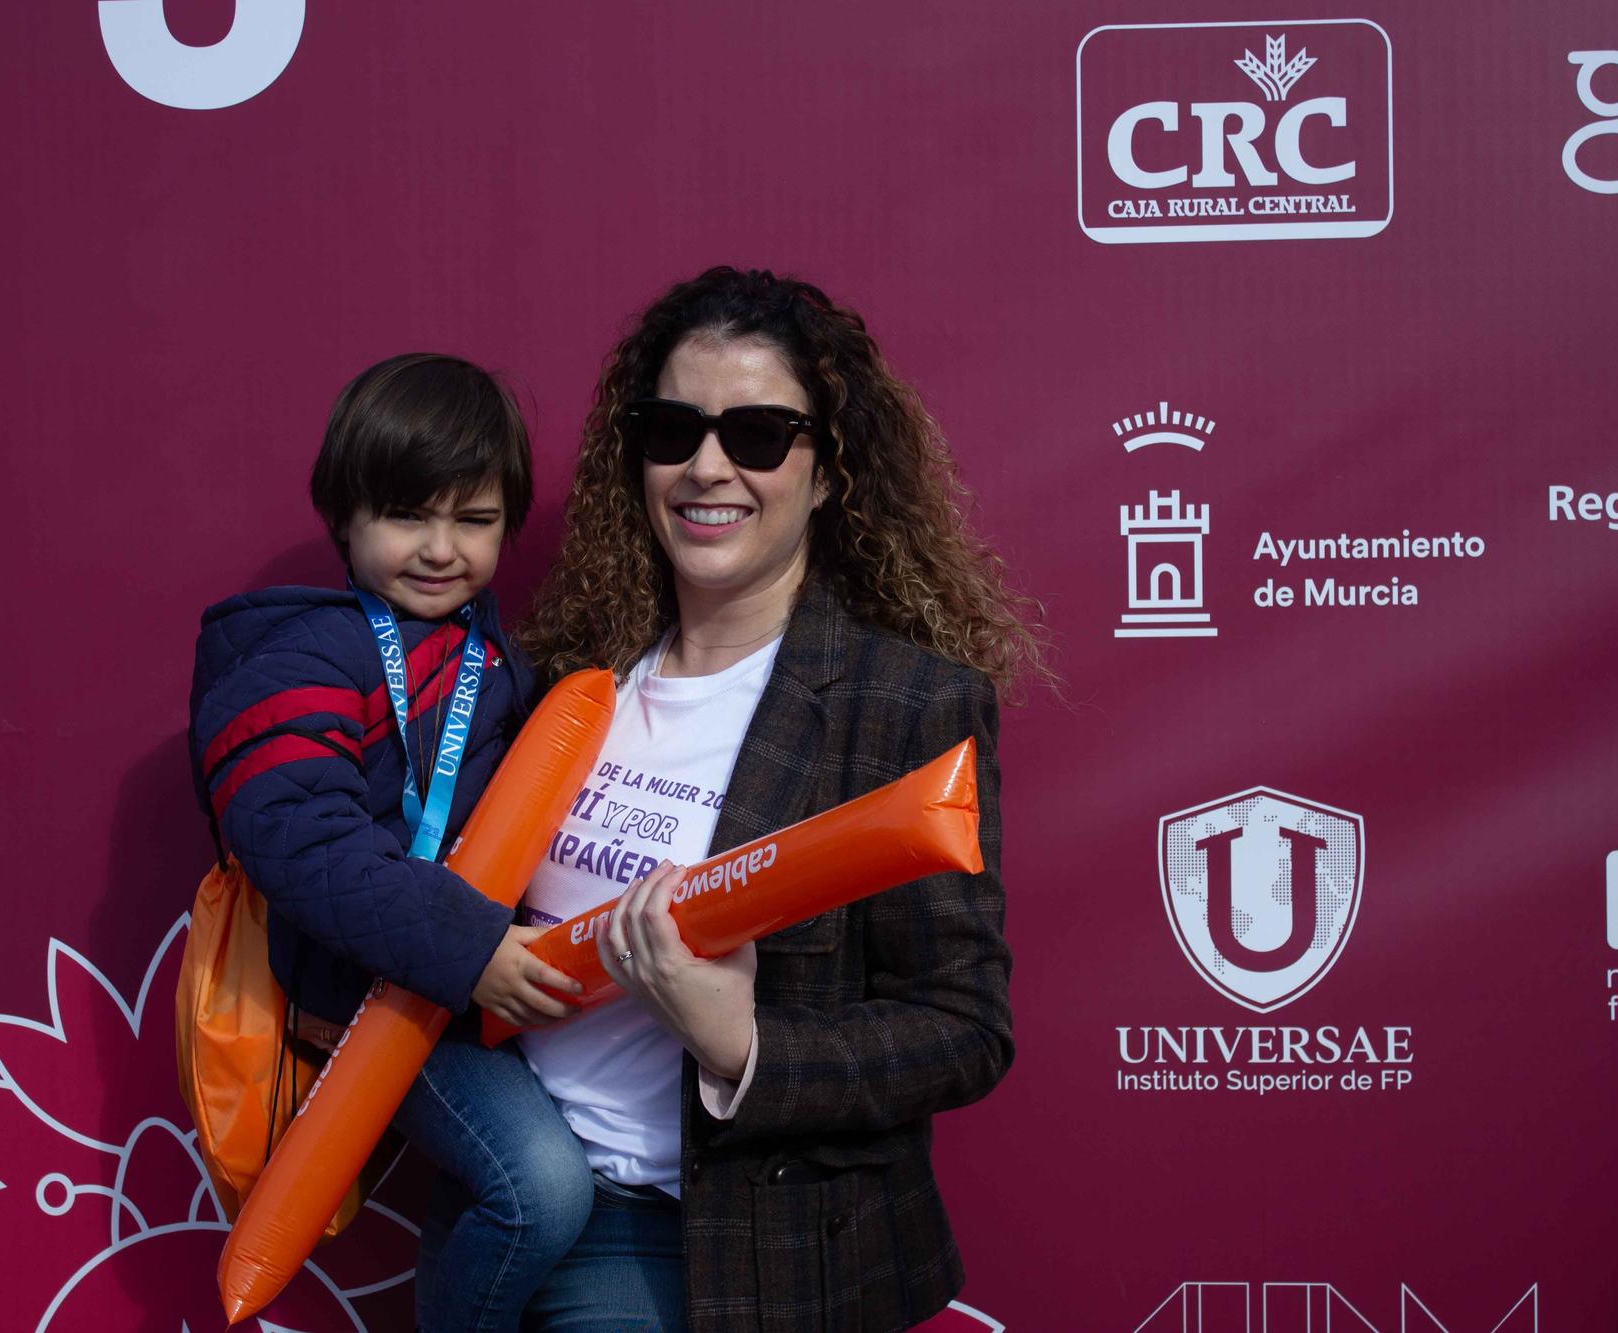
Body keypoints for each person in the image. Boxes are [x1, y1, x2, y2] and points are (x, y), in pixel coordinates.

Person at [512, 267, 1043, 1331]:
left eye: (757, 434)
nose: (708, 466)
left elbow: (961, 1026)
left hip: (726, 1246)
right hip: (513, 1198)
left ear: (828, 467)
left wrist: (743, 1047)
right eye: (672, 428)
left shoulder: (903, 704)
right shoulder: (567, 678)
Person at [188, 353, 594, 1332]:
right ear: (345, 513)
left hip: (455, 992)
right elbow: (298, 837)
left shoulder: (496, 662)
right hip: (367, 997)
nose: (440, 548)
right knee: (541, 1187)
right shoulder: (301, 653)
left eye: (475, 519)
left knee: (502, 1192)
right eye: (409, 514)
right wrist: (467, 949)